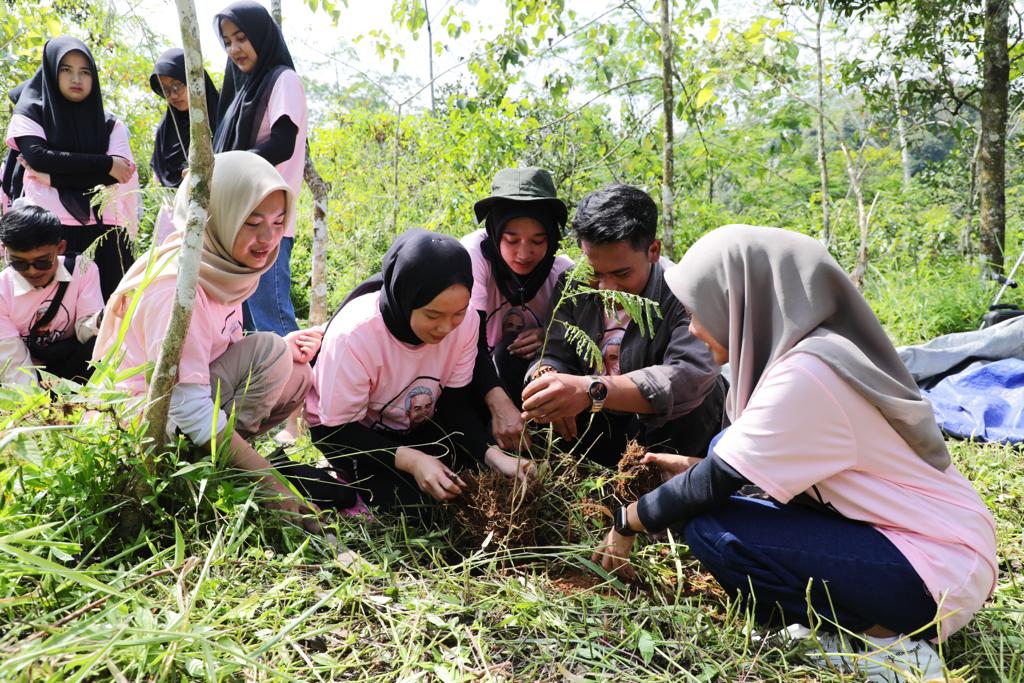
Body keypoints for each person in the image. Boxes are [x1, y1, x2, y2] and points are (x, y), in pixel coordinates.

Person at [593, 224, 998, 681]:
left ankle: (884, 642)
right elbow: (744, 467)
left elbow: (713, 483)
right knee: (719, 481)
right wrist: (698, 469)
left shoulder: (807, 376)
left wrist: (627, 520)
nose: (693, 328)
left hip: (935, 574)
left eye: (696, 311)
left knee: (714, 531)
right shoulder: (808, 357)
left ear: (740, 300)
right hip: (926, 547)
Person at [93, 151, 350, 527]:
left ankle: (220, 461)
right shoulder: (176, 287)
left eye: (279, 222)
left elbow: (211, 347)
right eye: (252, 222)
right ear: (217, 216)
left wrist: (284, 347)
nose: (268, 238)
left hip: (181, 409)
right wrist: (268, 481)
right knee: (270, 352)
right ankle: (208, 475)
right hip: (141, 428)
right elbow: (183, 405)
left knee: (294, 370)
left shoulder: (222, 265)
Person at [306, 228, 535, 512]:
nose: (446, 328)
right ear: (405, 298)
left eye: (458, 313)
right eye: (433, 315)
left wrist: (492, 454)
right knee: (417, 508)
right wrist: (413, 460)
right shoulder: (355, 336)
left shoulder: (465, 325)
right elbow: (338, 431)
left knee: (466, 486)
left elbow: (455, 404)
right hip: (352, 433)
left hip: (414, 424)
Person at [521, 184, 724, 468]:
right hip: (595, 425)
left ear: (653, 250)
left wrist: (590, 390)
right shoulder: (572, 285)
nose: (607, 289)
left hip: (664, 431)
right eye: (594, 272)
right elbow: (554, 350)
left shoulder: (683, 292)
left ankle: (669, 487)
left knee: (703, 395)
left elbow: (687, 377)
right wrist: (549, 381)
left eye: (621, 273)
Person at [4, 36, 139, 301]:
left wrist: (52, 178)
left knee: (112, 313)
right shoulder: (31, 114)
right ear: (53, 72)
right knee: (51, 314)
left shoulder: (110, 123)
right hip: (49, 231)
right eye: (66, 70)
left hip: (106, 230)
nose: (76, 79)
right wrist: (106, 164)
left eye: (85, 72)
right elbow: (39, 157)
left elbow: (122, 175)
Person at [462, 167, 574, 452]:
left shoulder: (563, 274)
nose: (524, 254)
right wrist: (499, 405)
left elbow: (586, 341)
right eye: (511, 240)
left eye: (538, 241)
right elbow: (467, 338)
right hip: (473, 381)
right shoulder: (474, 256)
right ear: (495, 232)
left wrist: (553, 335)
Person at [213, 0, 307, 337]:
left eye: (241, 37)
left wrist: (225, 171)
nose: (234, 49)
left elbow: (283, 142)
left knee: (276, 324)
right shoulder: (244, 90)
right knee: (248, 327)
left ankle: (304, 389)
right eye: (227, 42)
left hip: (269, 223)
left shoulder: (283, 80)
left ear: (261, 36)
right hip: (239, 222)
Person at [0, 202, 102, 386]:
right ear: (5, 251)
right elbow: (12, 362)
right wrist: (35, 410)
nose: (32, 272)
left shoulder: (83, 269)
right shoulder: (2, 290)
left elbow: (85, 332)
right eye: (19, 263)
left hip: (68, 365)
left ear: (60, 248)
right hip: (23, 369)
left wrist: (102, 319)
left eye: (42, 262)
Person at [149, 48, 220, 246]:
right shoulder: (166, 129)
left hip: (214, 215)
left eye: (177, 85)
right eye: (164, 90)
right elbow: (161, 176)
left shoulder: (221, 119)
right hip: (172, 217)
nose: (172, 95)